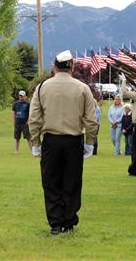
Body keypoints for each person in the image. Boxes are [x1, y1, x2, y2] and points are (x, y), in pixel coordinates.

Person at [28, 50, 98, 235]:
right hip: (74, 140)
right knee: (72, 182)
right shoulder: (82, 88)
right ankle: (69, 222)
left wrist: (35, 143)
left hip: (51, 140)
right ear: (72, 67)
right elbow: (91, 120)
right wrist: (90, 142)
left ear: (54, 66)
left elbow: (34, 119)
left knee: (51, 182)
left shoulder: (42, 87)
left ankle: (55, 224)